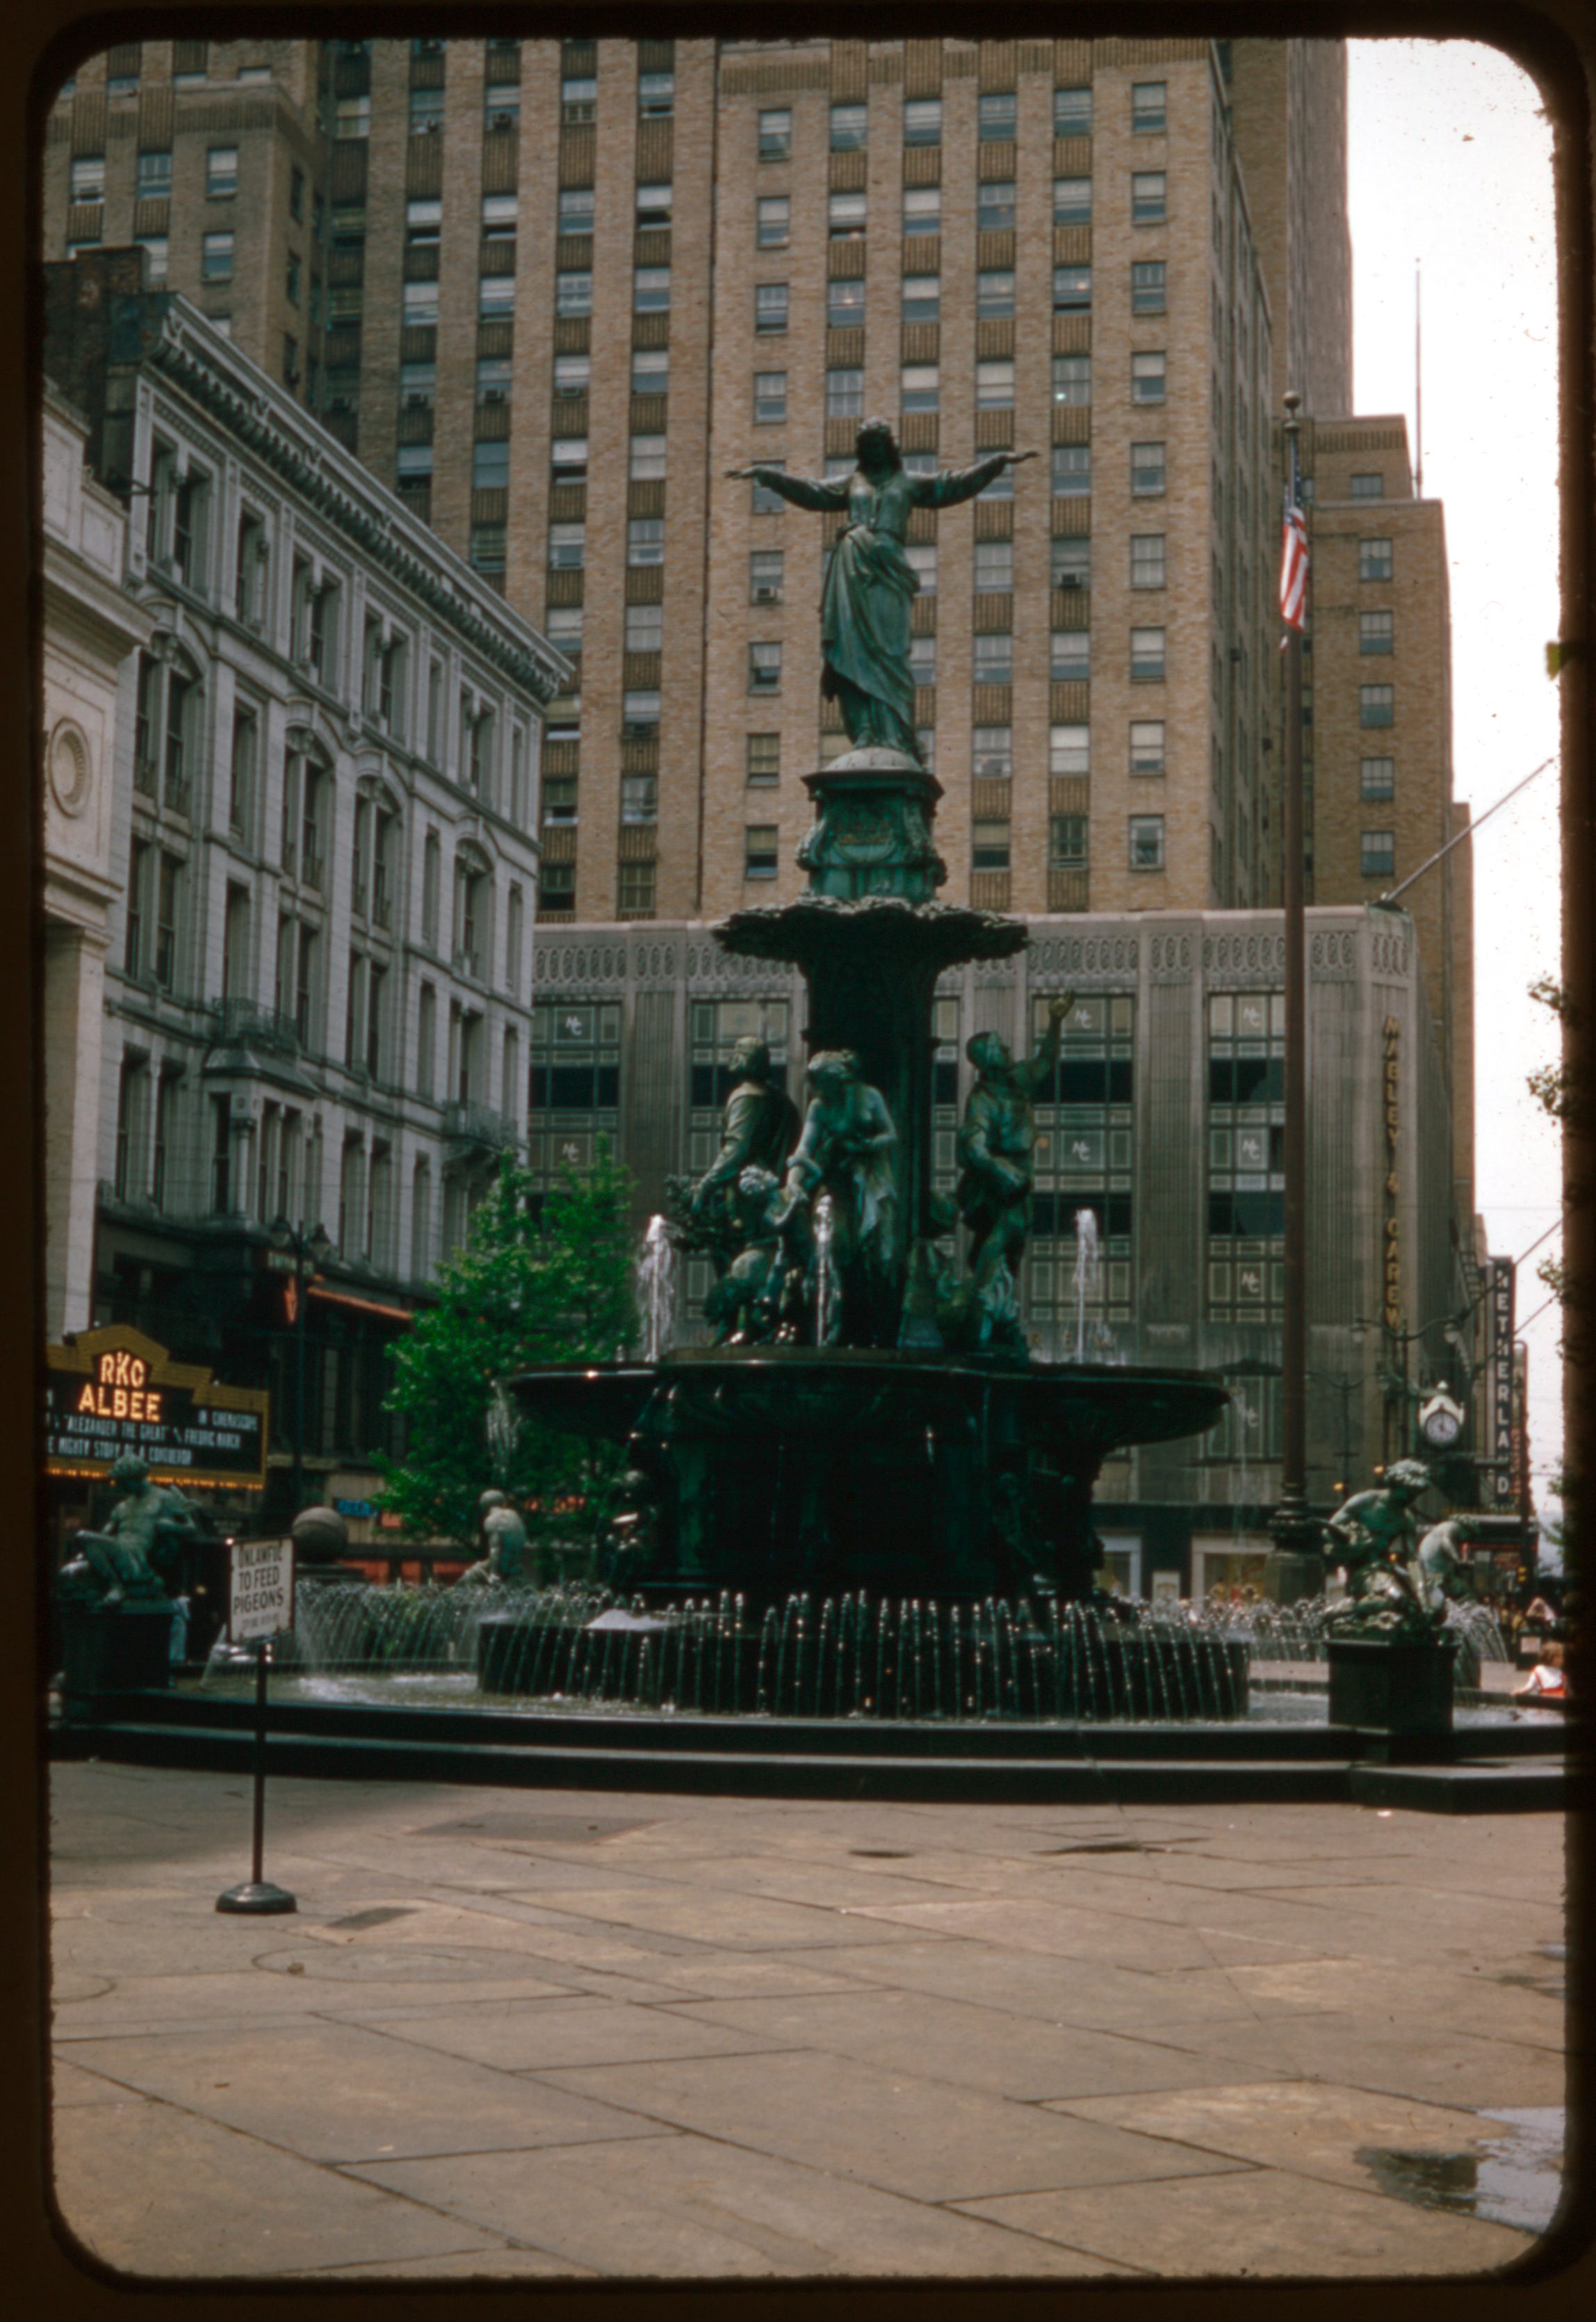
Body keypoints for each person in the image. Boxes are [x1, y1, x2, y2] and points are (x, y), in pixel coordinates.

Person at [727, 421, 1037, 762]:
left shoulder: (907, 482)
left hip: (889, 571)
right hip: (852, 567)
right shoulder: (852, 483)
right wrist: (768, 476)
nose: (873, 449)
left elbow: (952, 486)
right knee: (853, 648)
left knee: (891, 652)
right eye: (866, 444)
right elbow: (812, 491)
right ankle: (866, 731)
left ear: (889, 447)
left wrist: (996, 464)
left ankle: (895, 733)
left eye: (878, 443)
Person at [956, 993, 1075, 1331]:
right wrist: (1001, 1170)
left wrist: (1055, 1021)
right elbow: (974, 1147)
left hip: (1022, 1171)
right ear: (988, 1058)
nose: (1007, 1048)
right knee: (1007, 1233)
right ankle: (979, 1307)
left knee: (1014, 1245)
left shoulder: (1018, 1081)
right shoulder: (982, 1100)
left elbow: (1047, 1059)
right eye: (1000, 1046)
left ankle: (998, 1306)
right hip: (999, 1181)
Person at [779, 1049, 898, 1340]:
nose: (817, 1089)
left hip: (867, 1177)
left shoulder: (869, 1096)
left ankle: (871, 1321)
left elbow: (891, 1135)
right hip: (834, 1177)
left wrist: (865, 1147)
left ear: (838, 1079)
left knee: (875, 1246)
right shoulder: (819, 1106)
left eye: (822, 1082)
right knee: (829, 1241)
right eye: (814, 1082)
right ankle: (830, 1318)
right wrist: (793, 1177)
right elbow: (805, 1146)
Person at [1513, 1641, 1568, 1706]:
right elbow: (1530, 1686)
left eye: (1562, 1657)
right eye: (1559, 1657)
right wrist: (1520, 1691)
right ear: (1549, 1657)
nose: (1562, 1660)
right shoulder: (1539, 1670)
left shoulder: (1560, 1672)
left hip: (1559, 1702)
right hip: (1546, 1702)